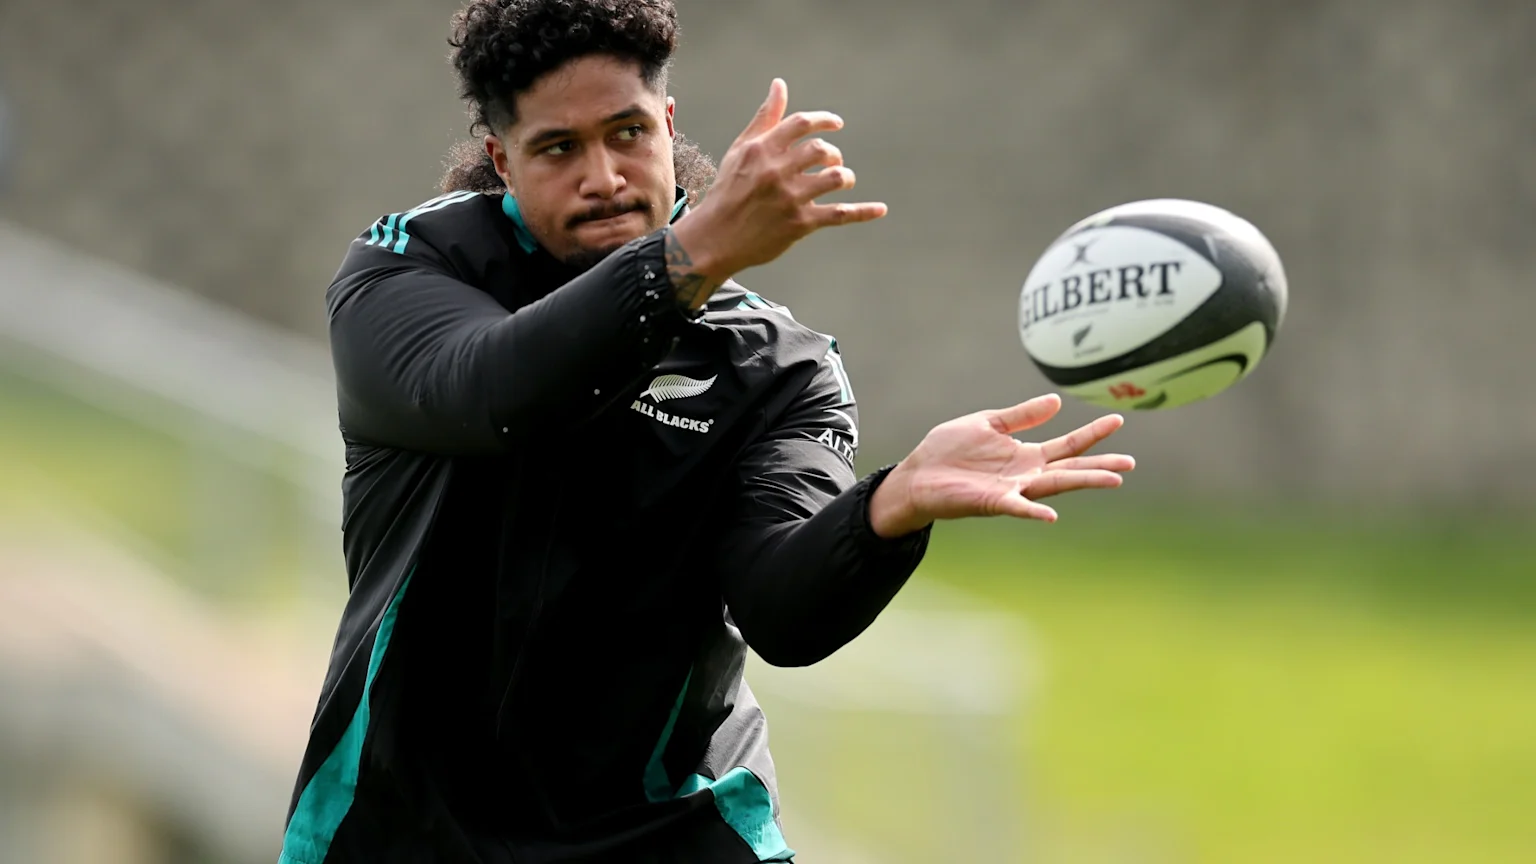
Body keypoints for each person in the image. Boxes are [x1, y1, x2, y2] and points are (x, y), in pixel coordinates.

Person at [279, 1, 1135, 862]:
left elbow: (782, 612)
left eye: (627, 133)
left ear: (668, 124)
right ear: (502, 159)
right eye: (559, 148)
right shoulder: (409, 267)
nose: (606, 176)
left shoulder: (778, 365)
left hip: (670, 830)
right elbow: (493, 391)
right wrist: (693, 253)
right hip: (401, 826)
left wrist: (887, 510)